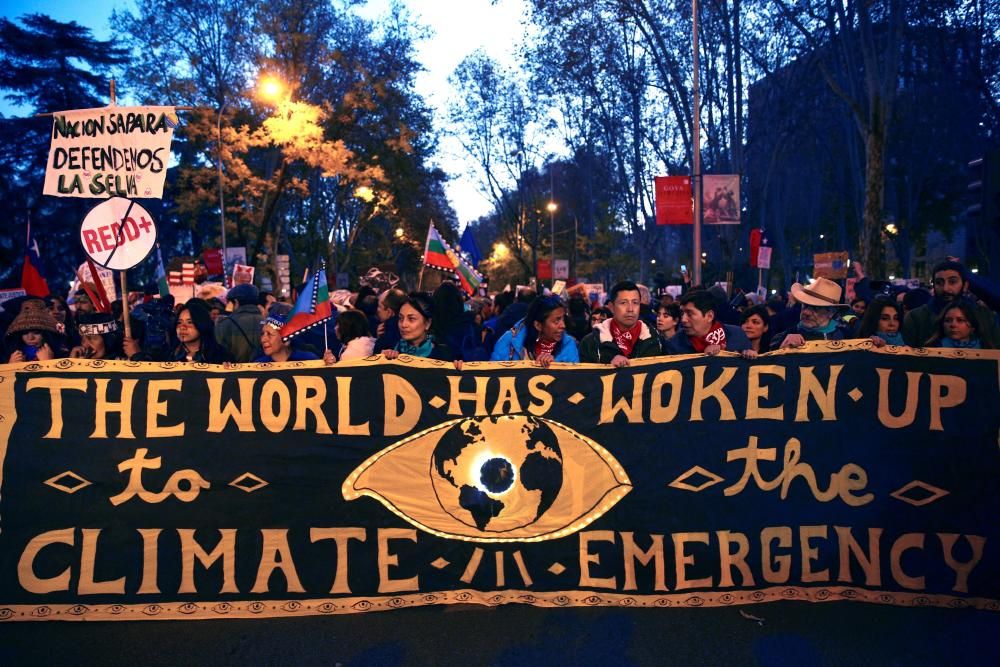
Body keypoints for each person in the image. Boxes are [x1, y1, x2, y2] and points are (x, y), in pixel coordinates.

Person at [902, 260, 1000, 348]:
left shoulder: (984, 316)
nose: (945, 288)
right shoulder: (915, 318)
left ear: (965, 285)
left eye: (952, 282)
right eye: (939, 282)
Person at [579, 281, 661, 366]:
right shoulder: (590, 343)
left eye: (635, 303)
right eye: (623, 303)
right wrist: (608, 362)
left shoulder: (656, 340)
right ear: (611, 307)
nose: (630, 309)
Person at [490, 294, 579, 367]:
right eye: (557, 321)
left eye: (563, 319)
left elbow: (572, 384)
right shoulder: (509, 341)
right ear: (538, 325)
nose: (563, 326)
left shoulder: (568, 344)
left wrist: (554, 366)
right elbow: (495, 377)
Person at [770, 277, 853, 350]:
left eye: (816, 308)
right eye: (805, 305)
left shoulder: (847, 338)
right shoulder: (785, 336)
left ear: (831, 312)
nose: (806, 312)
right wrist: (781, 349)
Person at [666, 289, 752, 356]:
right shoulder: (675, 345)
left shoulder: (737, 335)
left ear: (709, 316)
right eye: (682, 313)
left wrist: (750, 356)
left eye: (690, 313)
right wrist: (704, 358)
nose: (683, 319)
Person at [382, 292, 453, 361]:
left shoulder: (443, 355)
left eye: (411, 319)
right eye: (401, 318)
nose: (403, 324)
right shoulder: (390, 346)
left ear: (428, 323)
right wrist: (383, 359)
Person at [215, 284, 263, 362]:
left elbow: (219, 354)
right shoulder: (268, 323)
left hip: (235, 372)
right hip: (264, 372)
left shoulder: (225, 324)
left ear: (236, 302)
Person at [925, 301, 994, 349]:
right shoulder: (931, 349)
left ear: (972, 326)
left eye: (960, 320)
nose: (953, 325)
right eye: (948, 320)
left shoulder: (986, 348)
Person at [254, 315, 320, 363]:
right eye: (262, 334)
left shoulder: (308, 360)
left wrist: (327, 364)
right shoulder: (258, 365)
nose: (263, 340)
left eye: (269, 334)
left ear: (287, 341)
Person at [374, 288, 406, 353]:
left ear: (389, 312)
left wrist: (380, 340)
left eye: (379, 306)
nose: (377, 310)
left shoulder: (388, 332)